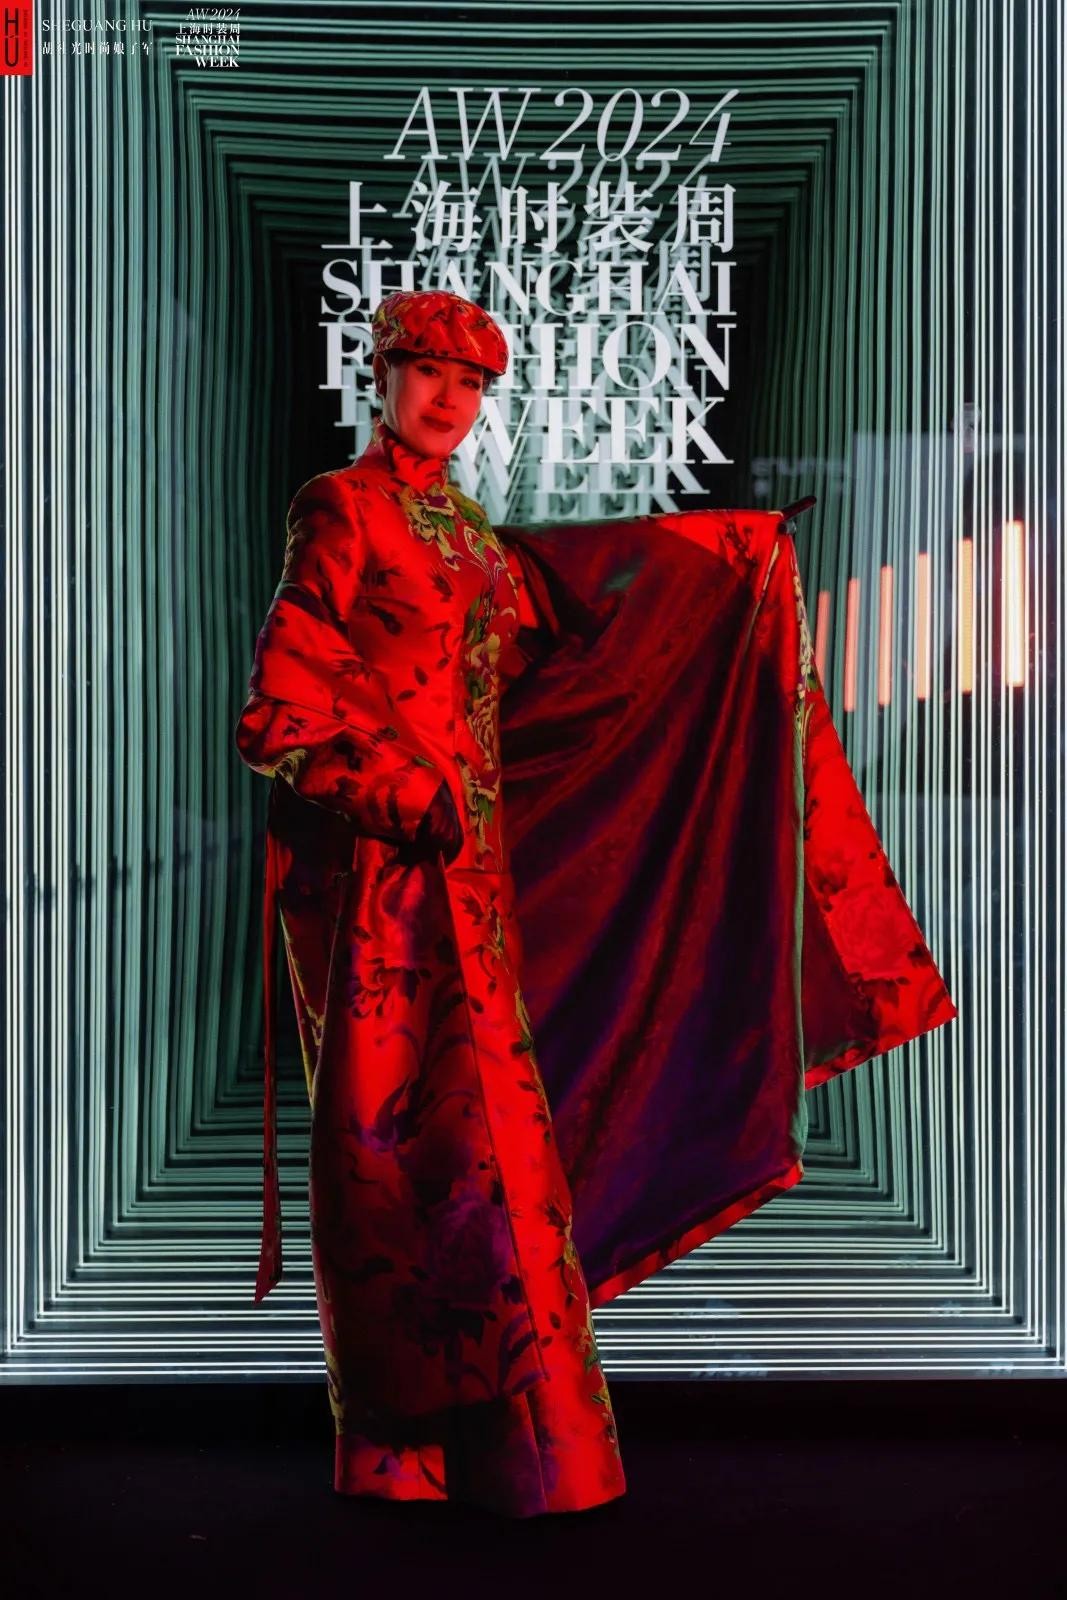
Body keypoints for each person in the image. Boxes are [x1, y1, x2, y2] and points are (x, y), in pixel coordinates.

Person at [234, 289, 957, 1517]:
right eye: (428, 372)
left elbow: (566, 631)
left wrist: (727, 565)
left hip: (472, 886)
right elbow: (277, 710)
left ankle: (515, 1446)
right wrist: (404, 791)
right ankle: (406, 1452)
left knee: (494, 1148)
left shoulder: (466, 533)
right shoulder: (341, 508)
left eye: (472, 383)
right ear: (381, 374)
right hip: (375, 894)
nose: (450, 400)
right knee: (391, 1153)